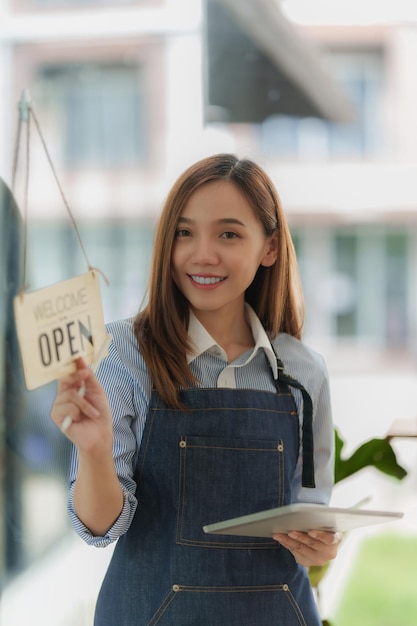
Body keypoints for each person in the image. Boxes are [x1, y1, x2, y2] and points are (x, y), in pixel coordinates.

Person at [51, 153, 341, 625]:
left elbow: (311, 513)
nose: (202, 254)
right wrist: (96, 450)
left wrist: (320, 545)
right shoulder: (122, 353)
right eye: (184, 232)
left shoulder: (304, 372)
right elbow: (99, 527)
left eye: (228, 233)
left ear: (269, 248)